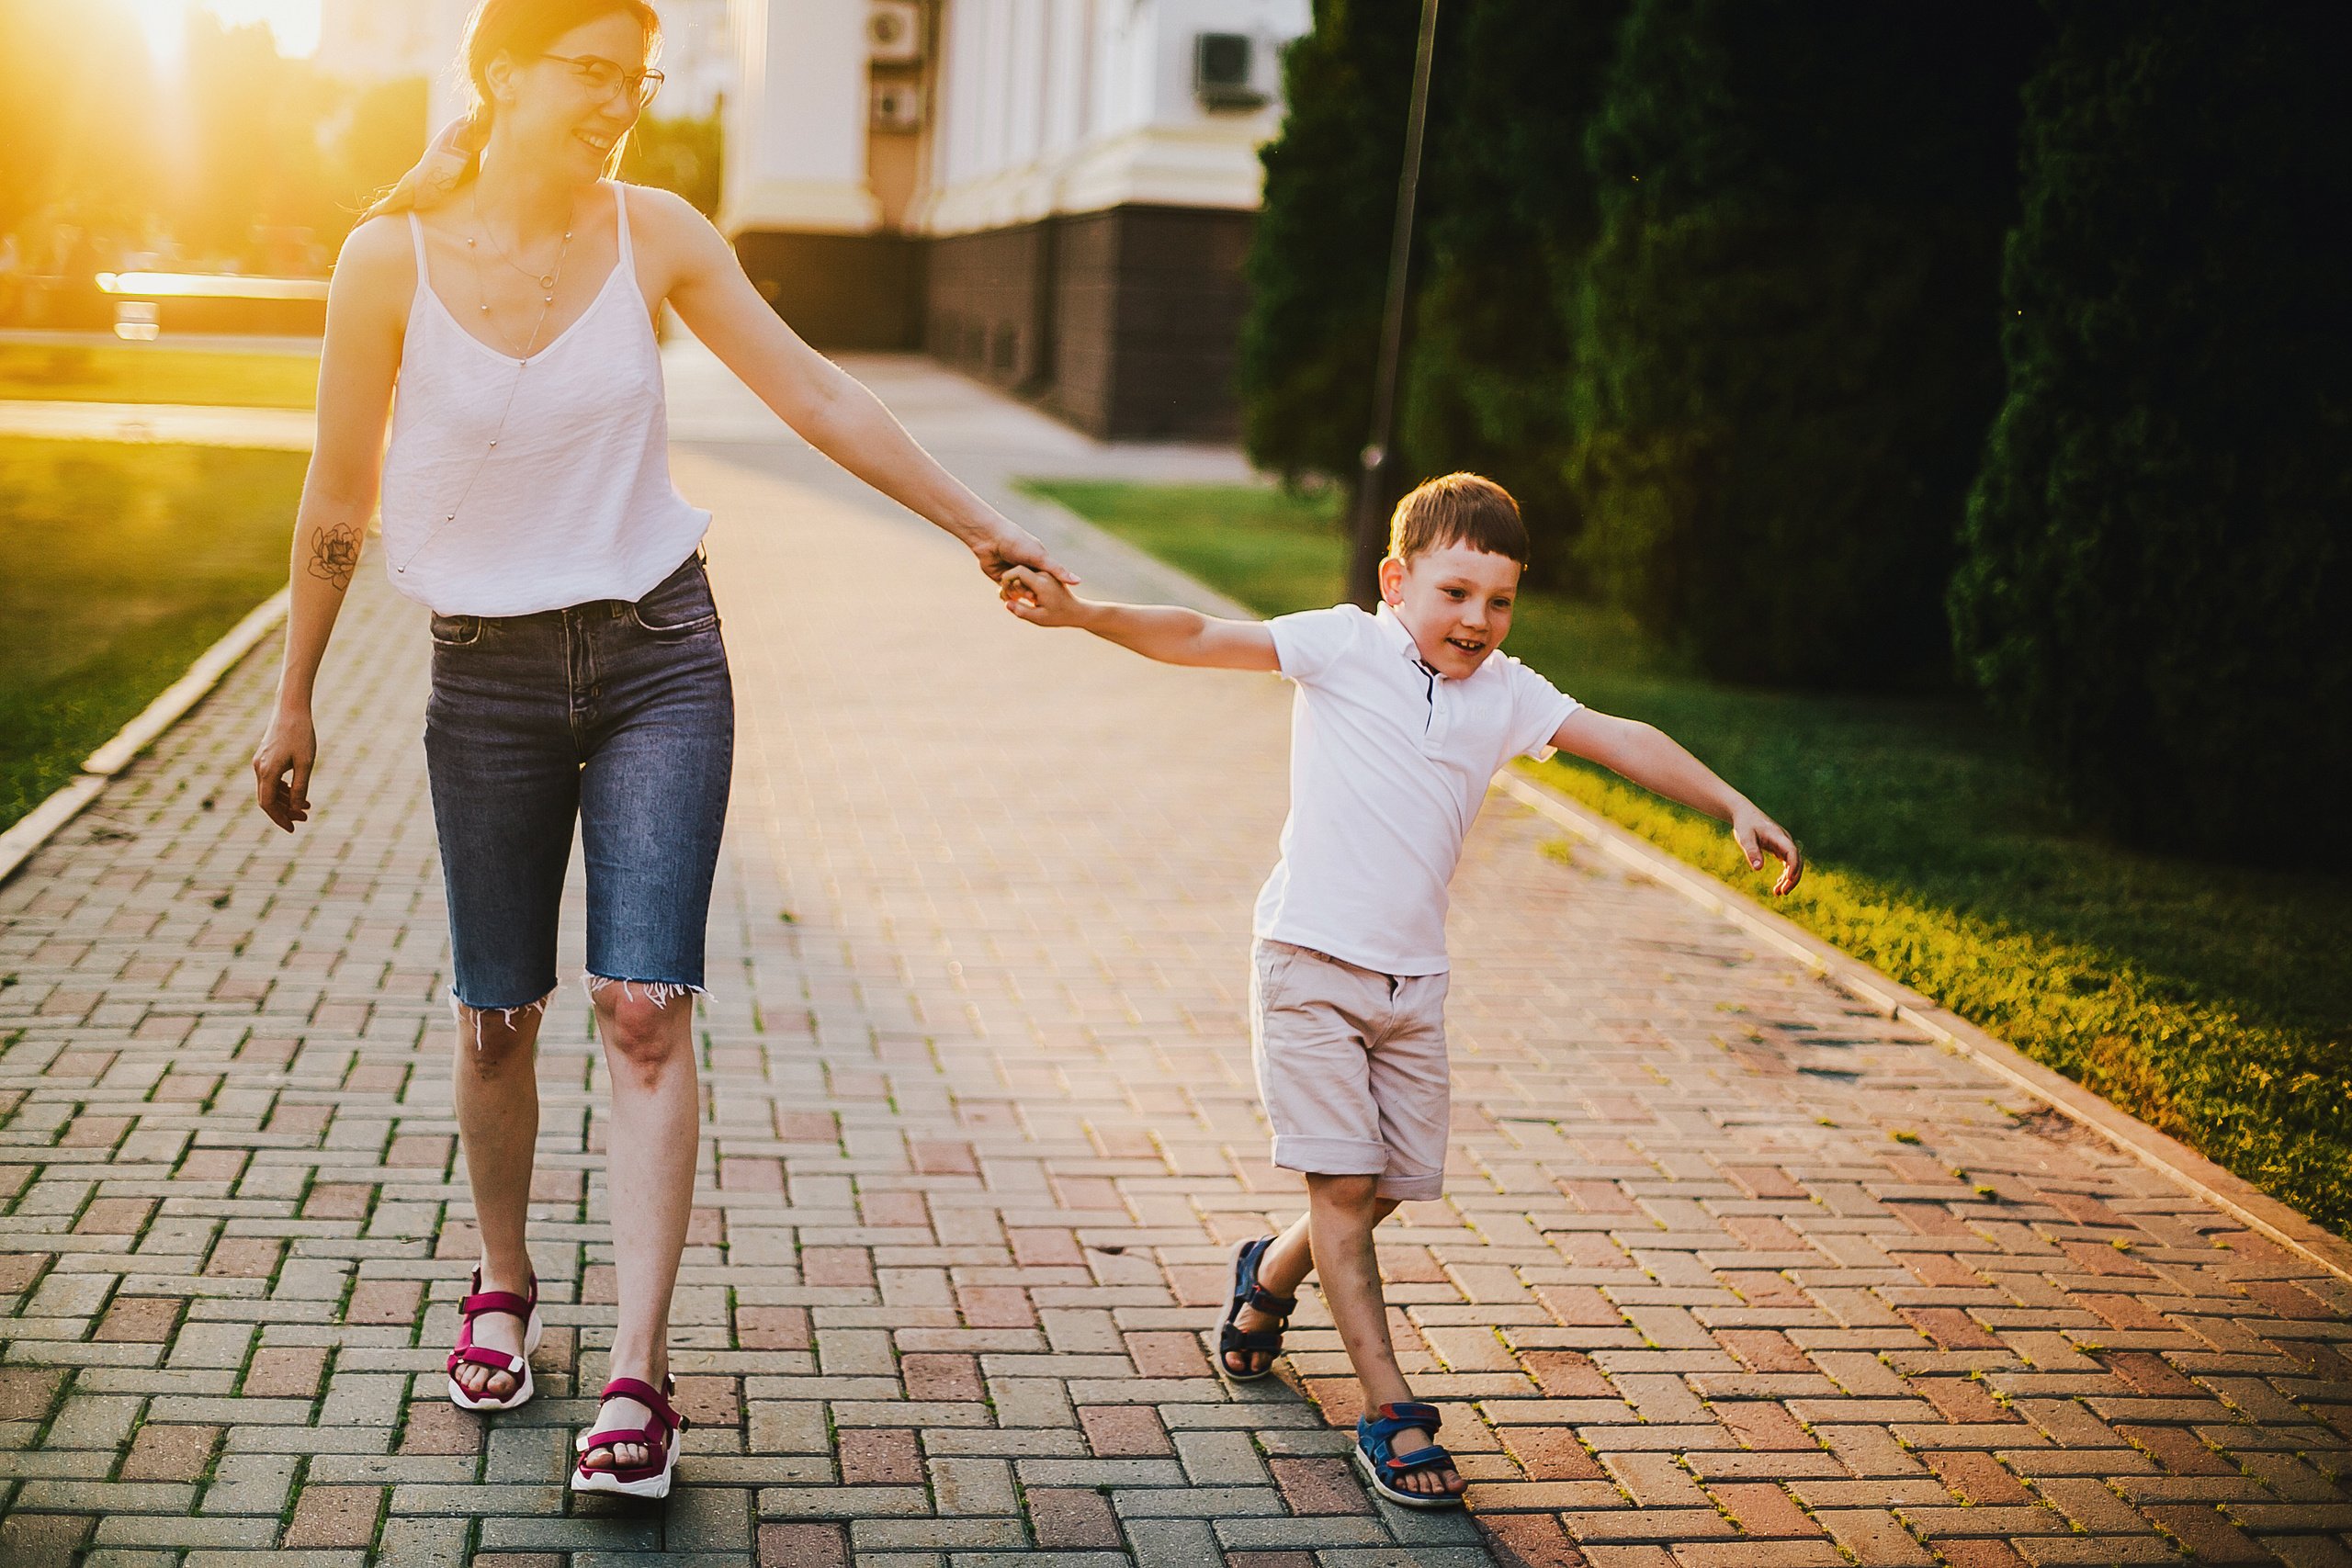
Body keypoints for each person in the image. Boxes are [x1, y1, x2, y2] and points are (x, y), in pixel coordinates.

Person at [248, 0, 1071, 1501]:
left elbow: (816, 389)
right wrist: (294, 690)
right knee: (498, 1014)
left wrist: (980, 524)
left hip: (659, 657)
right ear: (504, 71)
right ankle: (504, 1281)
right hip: (484, 676)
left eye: (637, 80)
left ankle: (639, 1368)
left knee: (642, 1005)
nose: (621, 103)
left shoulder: (659, 233)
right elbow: (338, 487)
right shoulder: (387, 260)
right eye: (594, 74)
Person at [998, 473, 1802, 1509]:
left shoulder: (1506, 691)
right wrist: (1082, 613)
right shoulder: (1345, 645)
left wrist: (1730, 801)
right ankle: (1388, 1410)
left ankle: (1267, 1276)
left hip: (1413, 984)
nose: (1477, 619)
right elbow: (1196, 634)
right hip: (1308, 963)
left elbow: (1619, 735)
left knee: (1384, 1186)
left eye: (1499, 600)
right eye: (1455, 592)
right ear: (1395, 582)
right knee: (1342, 1186)